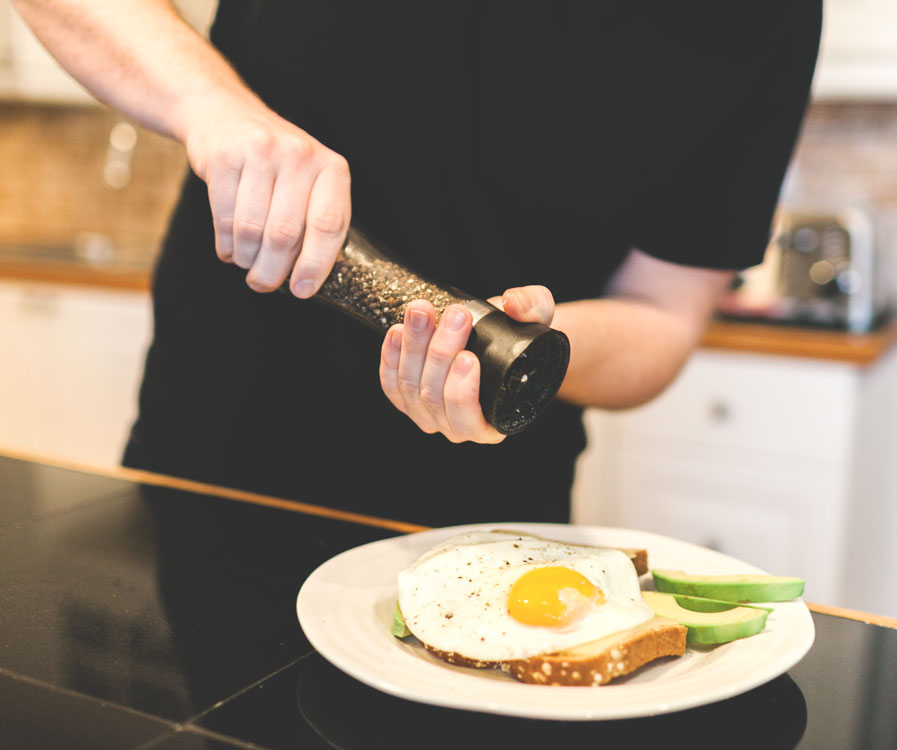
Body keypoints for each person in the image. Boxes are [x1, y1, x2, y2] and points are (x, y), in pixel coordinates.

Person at [13, 1, 821, 527]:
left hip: (492, 500)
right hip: (219, 460)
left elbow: (664, 317)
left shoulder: (759, 22)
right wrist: (212, 106)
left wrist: (523, 343)